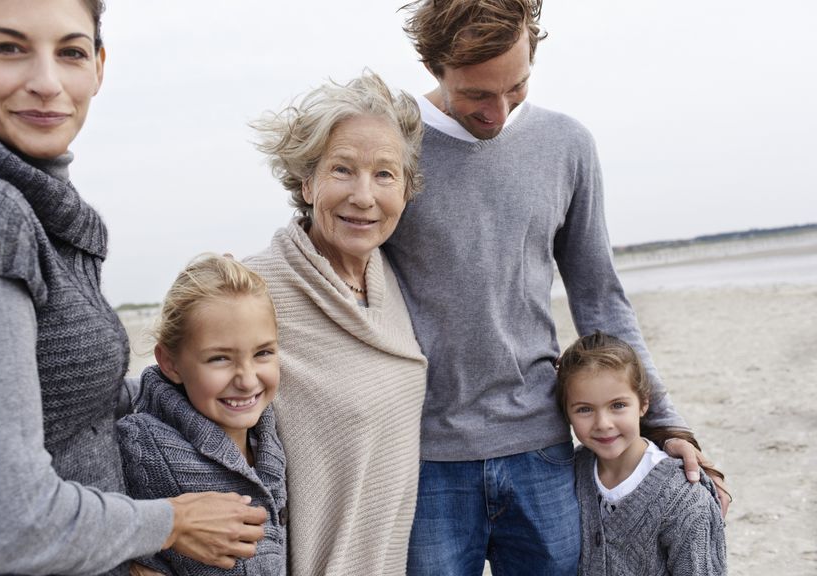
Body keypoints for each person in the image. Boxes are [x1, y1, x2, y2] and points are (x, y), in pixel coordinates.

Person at [383, 1, 731, 574]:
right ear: (434, 66)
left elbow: (599, 294)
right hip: (426, 456)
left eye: (515, 87)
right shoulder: (391, 149)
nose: (497, 112)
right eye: (476, 94)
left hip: (541, 449)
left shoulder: (567, 144)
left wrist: (665, 421)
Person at [0, 1, 265, 573]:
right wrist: (173, 522)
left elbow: (60, 407)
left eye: (70, 51)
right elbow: (13, 526)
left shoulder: (42, 208)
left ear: (99, 65)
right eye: (8, 48)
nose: (46, 82)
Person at [247, 71, 428, 575]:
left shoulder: (389, 279)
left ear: (408, 191)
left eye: (385, 175)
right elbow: (168, 413)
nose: (364, 196)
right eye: (342, 170)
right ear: (307, 182)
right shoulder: (251, 290)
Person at [117, 255, 287, 575]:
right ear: (170, 363)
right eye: (220, 358)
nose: (248, 379)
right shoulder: (139, 443)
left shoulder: (270, 440)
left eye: (263, 353)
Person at [556, 332, 727, 575]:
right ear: (566, 413)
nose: (603, 423)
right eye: (584, 409)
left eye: (618, 405)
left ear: (644, 403)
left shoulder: (684, 499)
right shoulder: (571, 472)